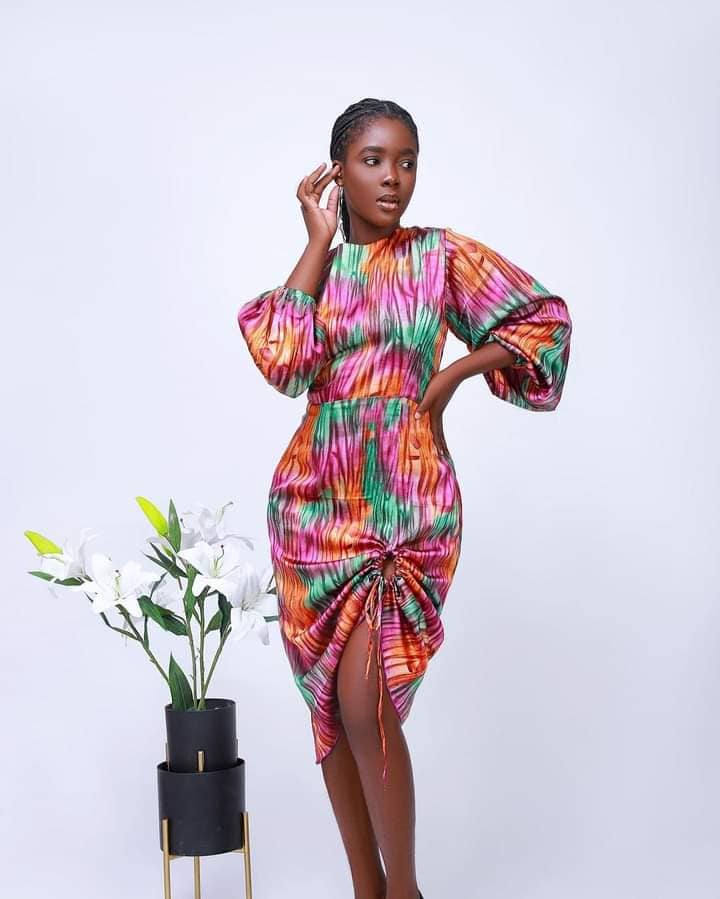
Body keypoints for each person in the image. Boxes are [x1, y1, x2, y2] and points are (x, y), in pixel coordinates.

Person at [237, 97, 572, 899]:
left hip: (406, 504)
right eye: (374, 160)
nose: (394, 178)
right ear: (337, 173)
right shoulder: (320, 268)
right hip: (313, 506)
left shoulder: (438, 256)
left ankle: (407, 890)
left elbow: (544, 322)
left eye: (408, 160)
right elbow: (283, 364)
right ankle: (368, 888)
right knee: (331, 704)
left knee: (367, 701)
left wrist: (454, 372)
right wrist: (315, 243)